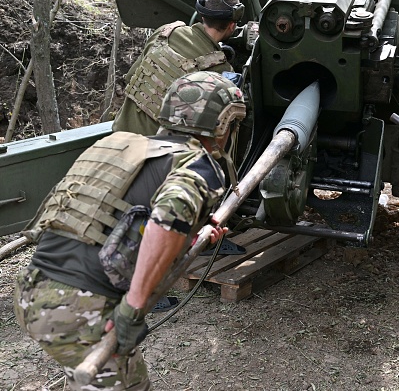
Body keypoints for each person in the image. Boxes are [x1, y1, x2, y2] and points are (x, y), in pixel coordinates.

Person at [13, 71, 247, 390]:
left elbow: (120, 217)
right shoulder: (195, 165)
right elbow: (165, 220)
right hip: (80, 311)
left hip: (33, 290)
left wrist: (189, 232)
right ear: (222, 125)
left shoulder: (125, 145)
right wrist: (133, 309)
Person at [112, 0, 244, 136]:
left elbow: (131, 77)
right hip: (157, 154)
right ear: (232, 25)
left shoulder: (166, 32)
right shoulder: (220, 69)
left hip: (120, 135)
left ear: (202, 15)